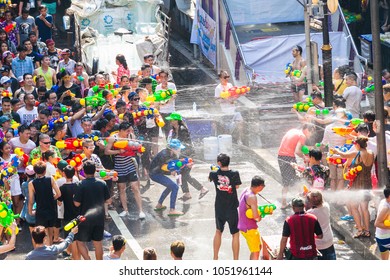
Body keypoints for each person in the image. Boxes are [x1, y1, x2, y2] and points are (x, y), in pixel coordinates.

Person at [330, 136, 374, 238]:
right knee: (365, 209)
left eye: (355, 144)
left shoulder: (358, 153)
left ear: (358, 145)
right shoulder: (371, 153)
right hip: (367, 184)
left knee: (354, 207)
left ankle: (359, 229)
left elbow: (343, 155)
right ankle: (367, 231)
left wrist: (336, 150)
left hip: (357, 185)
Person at [104, 122, 145, 219]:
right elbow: (106, 151)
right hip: (119, 166)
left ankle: (141, 211)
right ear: (121, 130)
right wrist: (118, 151)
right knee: (121, 188)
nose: (129, 132)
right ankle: (125, 210)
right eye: (127, 131)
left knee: (135, 187)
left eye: (130, 130)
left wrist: (139, 151)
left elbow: (136, 148)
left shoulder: (131, 136)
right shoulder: (113, 138)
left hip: (130, 164)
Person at [73, 160, 111, 260]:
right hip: (99, 218)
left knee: (80, 242)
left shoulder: (80, 184)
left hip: (84, 219)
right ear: (95, 171)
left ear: (84, 172)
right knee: (98, 243)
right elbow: (109, 201)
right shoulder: (102, 183)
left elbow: (77, 203)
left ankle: (88, 261)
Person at [166, 111, 208, 200]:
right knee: (181, 175)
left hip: (188, 155)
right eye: (171, 120)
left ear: (177, 120)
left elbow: (185, 144)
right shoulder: (173, 131)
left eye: (172, 120)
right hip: (180, 155)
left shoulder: (182, 129)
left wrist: (186, 158)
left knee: (185, 175)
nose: (171, 122)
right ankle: (187, 194)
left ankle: (202, 189)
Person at [209, 153, 241, 260]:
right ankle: (235, 260)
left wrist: (216, 170)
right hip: (232, 208)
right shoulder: (235, 173)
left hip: (219, 208)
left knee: (218, 231)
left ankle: (215, 257)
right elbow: (236, 186)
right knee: (235, 234)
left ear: (219, 163)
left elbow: (210, 178)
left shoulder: (213, 174)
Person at [277, 123, 315, 209]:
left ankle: (285, 202)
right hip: (288, 157)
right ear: (306, 130)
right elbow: (297, 151)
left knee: (287, 180)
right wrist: (305, 158)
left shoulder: (293, 131)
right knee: (295, 179)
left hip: (280, 156)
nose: (311, 134)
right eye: (311, 132)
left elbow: (298, 147)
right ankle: (299, 201)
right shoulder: (302, 136)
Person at [28, 161, 61, 246]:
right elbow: (59, 194)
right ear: (45, 171)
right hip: (51, 209)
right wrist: (52, 198)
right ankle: (49, 250)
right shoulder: (50, 179)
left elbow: (31, 200)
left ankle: (45, 252)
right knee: (50, 232)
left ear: (35, 171)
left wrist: (30, 211)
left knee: (43, 233)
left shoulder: (31, 183)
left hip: (40, 210)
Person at [149, 139, 185, 216]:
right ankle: (172, 210)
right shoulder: (164, 154)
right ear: (173, 148)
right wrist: (172, 171)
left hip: (159, 172)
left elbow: (176, 165)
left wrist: (184, 164)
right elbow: (167, 167)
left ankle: (159, 205)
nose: (180, 150)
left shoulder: (173, 154)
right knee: (174, 187)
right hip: (154, 174)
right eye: (179, 148)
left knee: (171, 186)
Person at [237, 176, 265, 260]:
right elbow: (256, 217)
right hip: (249, 228)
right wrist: (261, 216)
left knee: (256, 249)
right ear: (260, 186)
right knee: (256, 251)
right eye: (263, 186)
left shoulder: (246, 190)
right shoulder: (252, 197)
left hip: (243, 225)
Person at [214, 70, 244, 144]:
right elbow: (216, 101)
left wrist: (239, 94)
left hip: (233, 110)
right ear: (220, 78)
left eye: (228, 76)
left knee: (240, 122)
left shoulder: (230, 85)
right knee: (227, 130)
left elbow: (234, 96)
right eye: (225, 77)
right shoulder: (218, 88)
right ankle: (227, 141)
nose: (227, 78)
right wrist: (224, 99)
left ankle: (239, 140)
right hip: (225, 112)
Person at [306, 190, 336, 260]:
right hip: (329, 239)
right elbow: (321, 201)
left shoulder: (310, 213)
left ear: (310, 202)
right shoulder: (326, 206)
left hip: (318, 243)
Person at [374, 187, 390, 260]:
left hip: (380, 237)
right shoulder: (386, 208)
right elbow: (377, 223)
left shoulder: (383, 201)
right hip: (386, 238)